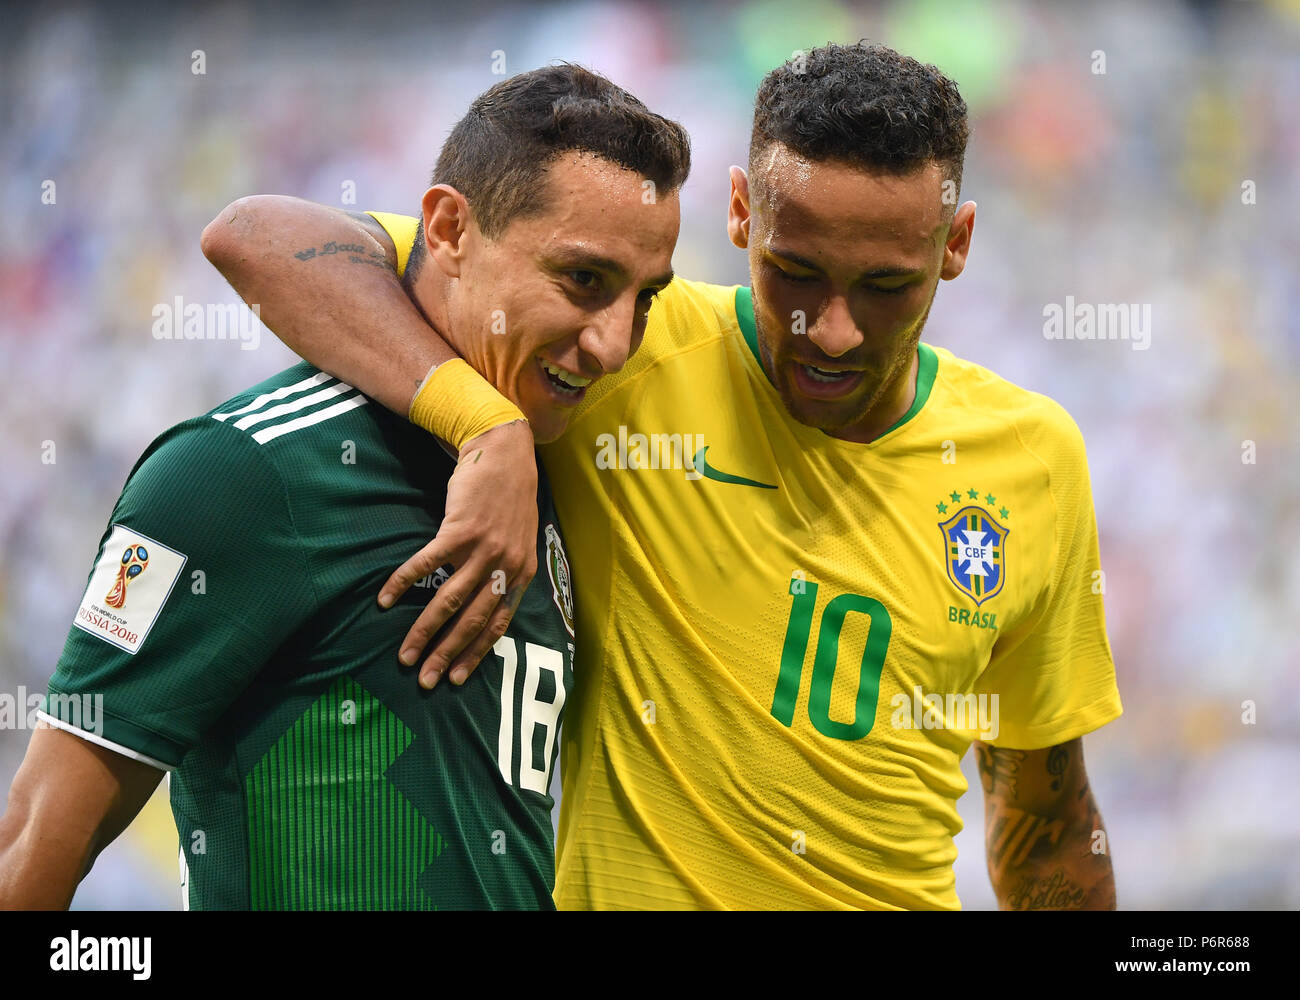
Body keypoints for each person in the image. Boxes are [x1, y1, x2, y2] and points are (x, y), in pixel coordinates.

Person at [205, 43, 1122, 910]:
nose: (832, 330)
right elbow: (258, 238)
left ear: (956, 244)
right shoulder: (614, 342)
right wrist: (484, 426)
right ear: (740, 214)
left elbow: (1045, 823)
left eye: (887, 287)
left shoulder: (1033, 460)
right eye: (795, 272)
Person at [0, 64, 687, 910]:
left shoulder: (542, 474)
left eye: (644, 299)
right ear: (447, 230)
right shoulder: (243, 472)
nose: (615, 346)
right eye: (583, 281)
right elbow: (36, 838)